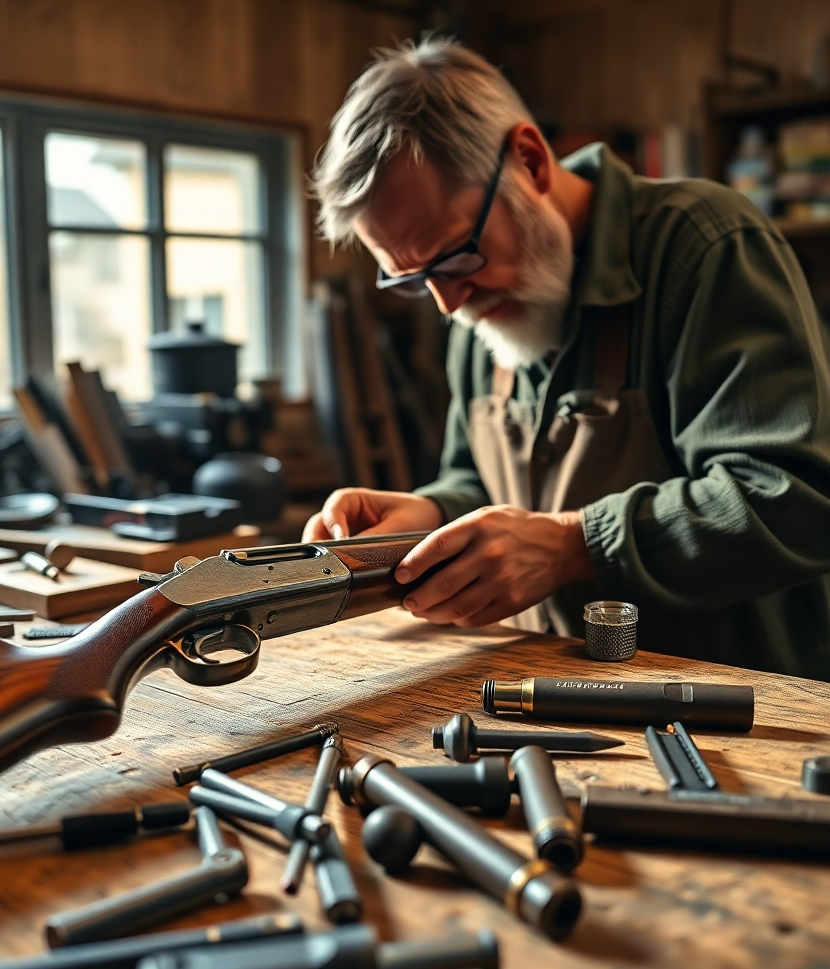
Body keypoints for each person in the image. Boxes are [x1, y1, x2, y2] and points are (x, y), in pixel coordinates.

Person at [303, 37, 830, 680]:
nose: (446, 304)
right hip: (548, 693)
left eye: (455, 255)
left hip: (736, 708)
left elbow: (798, 499)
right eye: (411, 280)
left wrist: (572, 545)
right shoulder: (477, 308)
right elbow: (479, 481)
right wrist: (429, 516)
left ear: (528, 160)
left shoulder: (704, 247)